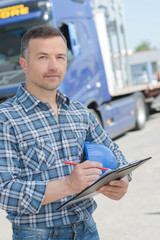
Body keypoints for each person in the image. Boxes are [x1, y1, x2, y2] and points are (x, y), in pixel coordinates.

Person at [0, 25, 129, 240]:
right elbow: (5, 191)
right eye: (42, 57)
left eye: (60, 57)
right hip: (37, 235)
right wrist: (68, 185)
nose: (53, 66)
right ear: (24, 64)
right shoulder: (6, 118)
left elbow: (114, 153)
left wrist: (122, 180)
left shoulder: (80, 112)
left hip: (87, 230)